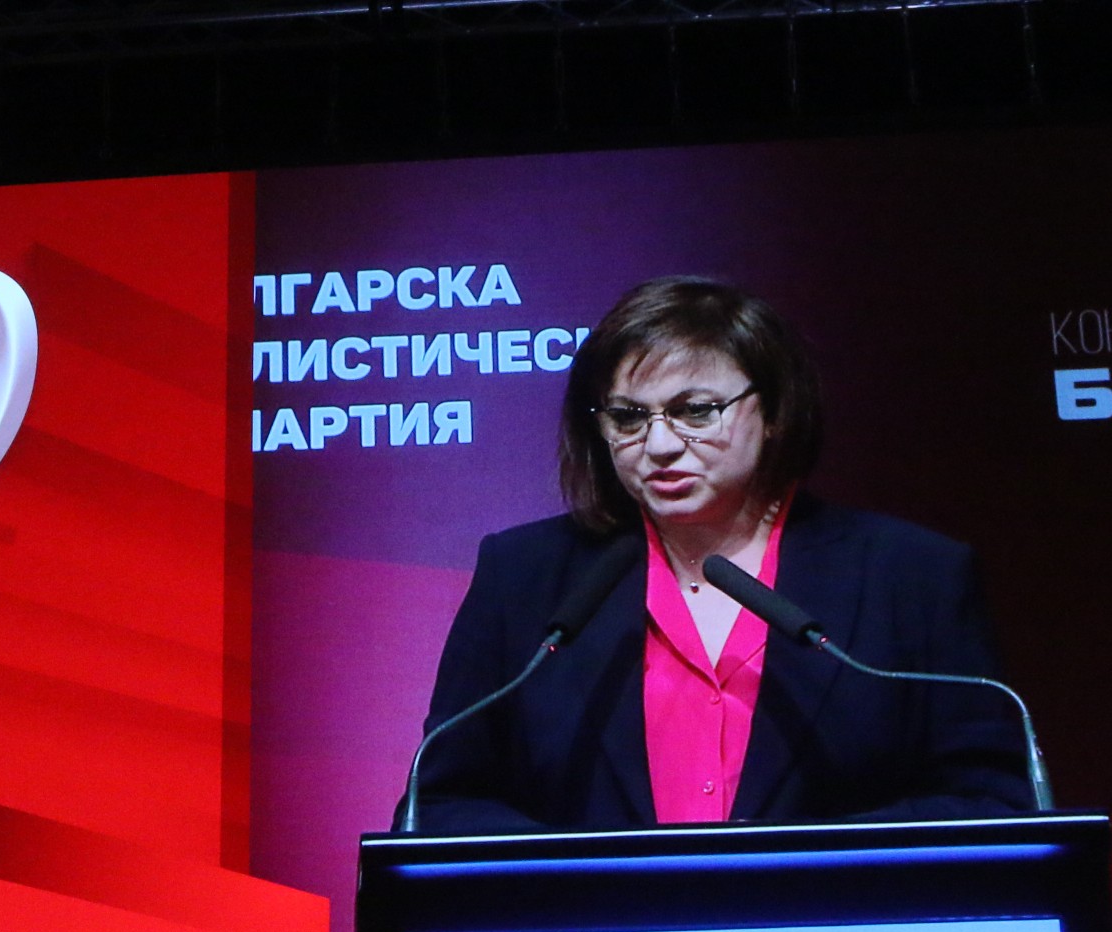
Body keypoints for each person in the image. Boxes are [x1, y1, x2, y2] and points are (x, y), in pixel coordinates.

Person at [404, 276, 1033, 833]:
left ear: (775, 410)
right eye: (628, 417)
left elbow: (992, 799)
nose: (659, 445)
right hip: (597, 923)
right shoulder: (526, 576)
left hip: (842, 920)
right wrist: (589, 878)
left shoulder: (911, 574)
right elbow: (438, 804)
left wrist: (797, 867)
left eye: (696, 411)